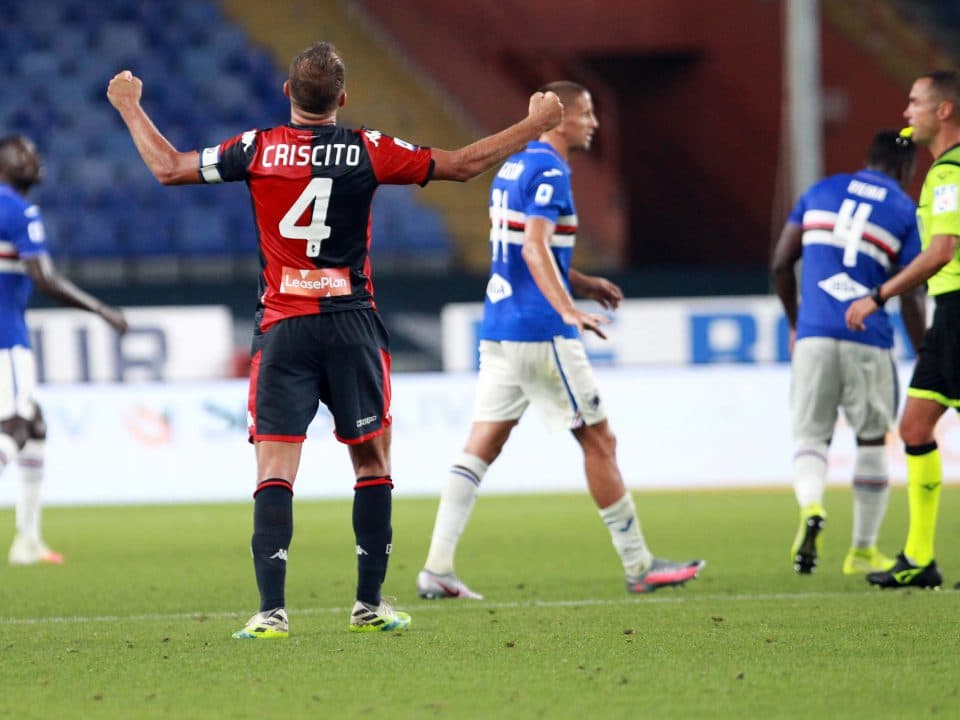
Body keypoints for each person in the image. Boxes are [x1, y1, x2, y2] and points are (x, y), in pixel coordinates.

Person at [107, 41, 563, 637]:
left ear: (287, 94)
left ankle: (271, 613)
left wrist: (128, 105)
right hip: (351, 324)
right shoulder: (368, 149)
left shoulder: (257, 148)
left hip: (284, 326)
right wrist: (533, 125)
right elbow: (460, 165)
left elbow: (169, 167)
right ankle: (369, 604)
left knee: (274, 467)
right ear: (342, 99)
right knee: (372, 461)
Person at [416, 81, 704, 601]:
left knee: (483, 444)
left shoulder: (513, 167)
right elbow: (533, 249)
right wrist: (568, 307)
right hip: (540, 328)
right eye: (587, 112)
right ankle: (640, 566)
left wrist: (584, 282)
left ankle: (437, 567)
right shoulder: (551, 170)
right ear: (560, 119)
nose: (594, 122)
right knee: (599, 440)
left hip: (500, 325)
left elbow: (525, 249)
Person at [772, 130, 927, 577]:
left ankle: (813, 506)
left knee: (811, 437)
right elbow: (912, 293)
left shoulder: (821, 191)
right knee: (872, 439)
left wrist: (796, 322)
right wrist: (924, 355)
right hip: (868, 338)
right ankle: (862, 549)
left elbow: (782, 263)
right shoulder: (904, 211)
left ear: (868, 159)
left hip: (815, 334)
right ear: (905, 170)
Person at [846, 70, 960, 589]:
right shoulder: (943, 172)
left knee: (915, 428)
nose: (905, 111)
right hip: (948, 314)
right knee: (915, 429)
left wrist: (879, 294)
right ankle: (919, 557)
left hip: (957, 309)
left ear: (944, 111)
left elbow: (941, 252)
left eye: (914, 102)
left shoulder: (951, 173)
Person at [0, 135, 128, 565]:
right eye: (27, 153)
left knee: (35, 425)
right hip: (6, 337)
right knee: (15, 424)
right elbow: (45, 278)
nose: (37, 160)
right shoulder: (18, 209)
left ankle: (27, 540)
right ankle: (27, 541)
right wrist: (102, 310)